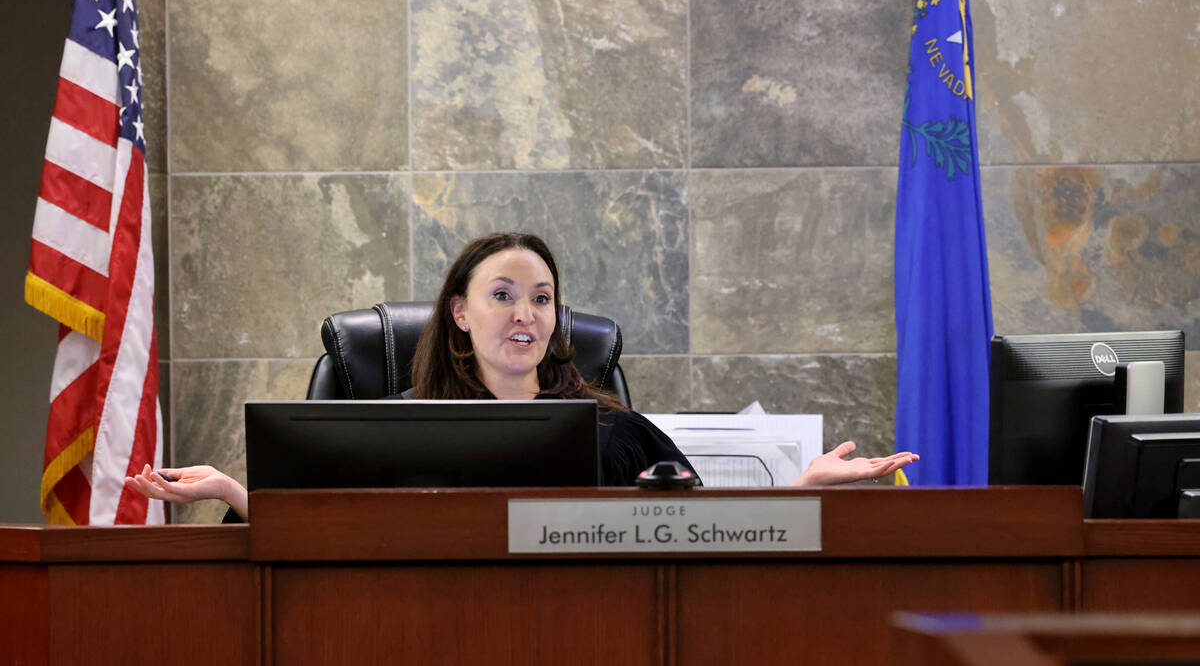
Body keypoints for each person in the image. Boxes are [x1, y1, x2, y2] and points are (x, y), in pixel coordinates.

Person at [126, 232, 917, 521]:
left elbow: (694, 528)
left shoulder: (613, 430)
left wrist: (802, 489)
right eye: (502, 296)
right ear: (461, 315)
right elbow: (321, 529)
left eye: (541, 299)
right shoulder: (393, 424)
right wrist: (234, 491)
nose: (525, 315)